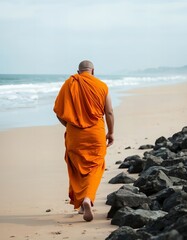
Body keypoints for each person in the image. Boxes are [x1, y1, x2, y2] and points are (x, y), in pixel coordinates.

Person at [53, 60, 114, 222]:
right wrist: (111, 132)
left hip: (75, 134)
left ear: (78, 71)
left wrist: (70, 126)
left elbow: (59, 112)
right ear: (93, 71)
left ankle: (81, 204)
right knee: (95, 167)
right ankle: (88, 199)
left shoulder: (70, 83)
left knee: (77, 168)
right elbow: (109, 112)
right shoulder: (101, 86)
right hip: (96, 134)